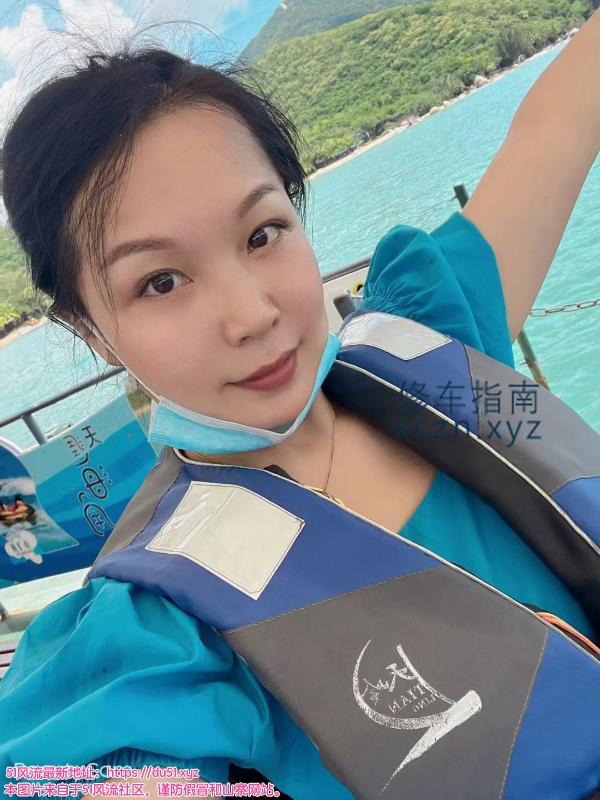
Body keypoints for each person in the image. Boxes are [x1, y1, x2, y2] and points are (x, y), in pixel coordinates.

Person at [1, 10, 599, 798]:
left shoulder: (434, 344)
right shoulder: (166, 630)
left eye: (261, 234)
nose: (252, 315)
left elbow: (561, 122)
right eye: (161, 282)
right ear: (92, 332)